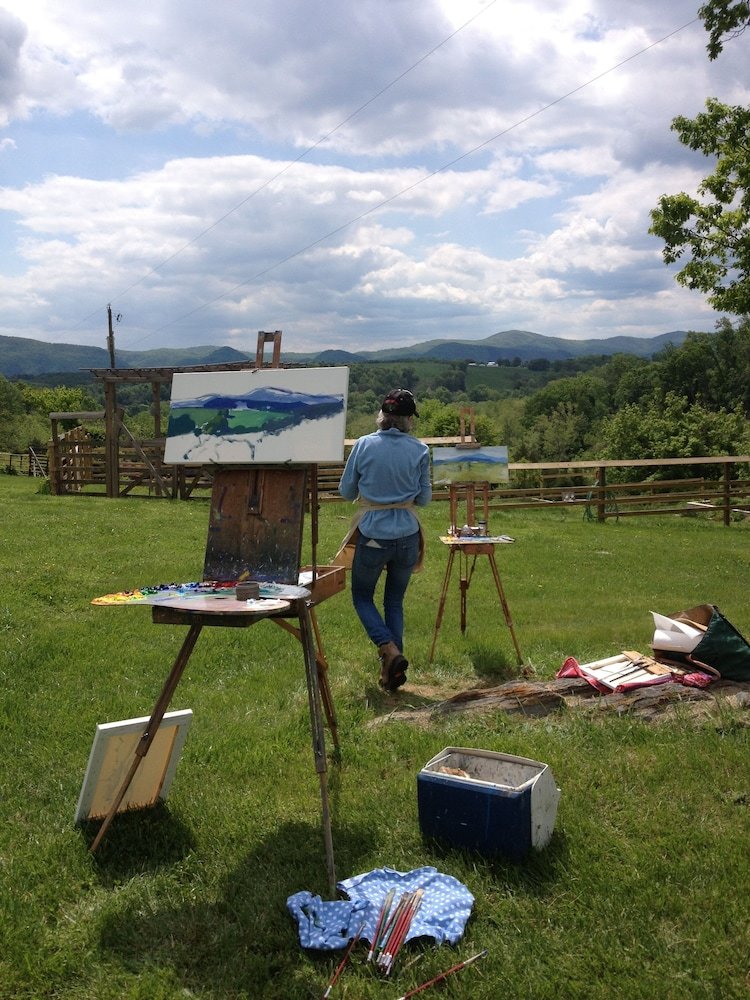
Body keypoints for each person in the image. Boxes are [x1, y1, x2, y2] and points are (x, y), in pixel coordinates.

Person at [338, 388, 432, 690]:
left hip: (374, 534)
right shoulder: (420, 450)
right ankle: (393, 672)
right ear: (407, 419)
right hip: (407, 534)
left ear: (382, 415)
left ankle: (389, 650)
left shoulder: (364, 445)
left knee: (362, 597)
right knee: (394, 601)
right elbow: (425, 499)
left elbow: (347, 492)